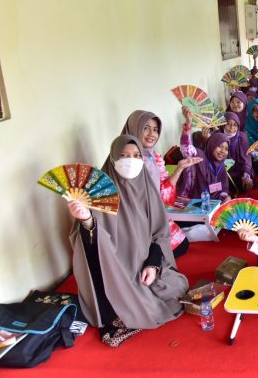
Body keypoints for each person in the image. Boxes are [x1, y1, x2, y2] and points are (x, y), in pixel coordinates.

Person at [67, 135, 188, 347]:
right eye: (123, 156)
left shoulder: (146, 187)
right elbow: (92, 251)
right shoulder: (99, 193)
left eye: (136, 155)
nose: (130, 161)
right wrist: (86, 220)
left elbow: (159, 233)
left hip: (144, 263)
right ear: (112, 158)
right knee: (134, 305)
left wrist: (152, 264)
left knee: (177, 287)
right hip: (116, 270)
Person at [118, 110, 201, 257]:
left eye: (155, 129)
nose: (152, 134)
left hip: (155, 213)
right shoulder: (123, 159)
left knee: (182, 244)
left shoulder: (153, 157)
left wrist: (179, 168)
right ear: (134, 128)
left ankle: (151, 258)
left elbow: (163, 192)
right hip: (133, 220)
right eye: (146, 128)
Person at [177, 117, 232, 204]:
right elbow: (186, 148)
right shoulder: (200, 157)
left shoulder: (221, 166)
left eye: (226, 149)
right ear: (212, 145)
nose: (223, 151)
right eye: (220, 146)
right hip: (192, 202)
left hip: (210, 203)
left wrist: (225, 198)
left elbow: (222, 190)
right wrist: (187, 127)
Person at [222, 112, 254, 195]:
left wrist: (246, 175)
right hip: (223, 173)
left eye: (235, 125)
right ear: (223, 124)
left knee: (245, 184)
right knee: (217, 186)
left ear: (238, 126)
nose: (231, 127)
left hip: (239, 172)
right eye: (228, 124)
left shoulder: (242, 137)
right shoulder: (217, 136)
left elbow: (246, 159)